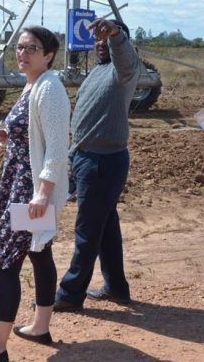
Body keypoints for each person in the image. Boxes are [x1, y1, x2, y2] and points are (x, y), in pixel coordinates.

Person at [0, 26, 70, 362]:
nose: (22, 53)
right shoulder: (33, 85)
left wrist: (42, 194)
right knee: (39, 252)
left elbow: (57, 148)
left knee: (7, 262)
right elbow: (32, 136)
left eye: (31, 48)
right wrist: (7, 135)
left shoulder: (50, 89)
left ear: (48, 55)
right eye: (19, 48)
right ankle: (39, 327)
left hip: (29, 193)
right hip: (19, 186)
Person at [54, 18, 138, 312]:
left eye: (107, 38)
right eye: (98, 39)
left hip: (104, 162)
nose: (100, 43)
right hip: (87, 158)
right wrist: (72, 159)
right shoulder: (99, 72)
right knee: (105, 226)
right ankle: (116, 287)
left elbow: (124, 53)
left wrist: (115, 34)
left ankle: (69, 294)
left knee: (87, 231)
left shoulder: (124, 71)